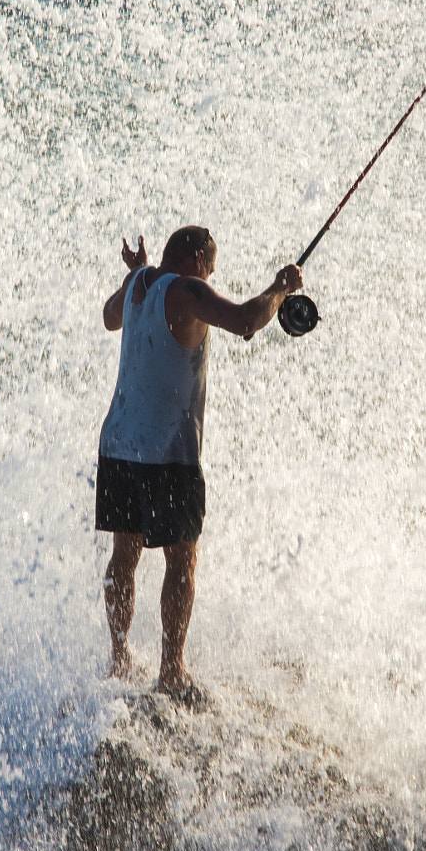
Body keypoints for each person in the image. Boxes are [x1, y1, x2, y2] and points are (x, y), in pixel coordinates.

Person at [96, 225, 303, 700]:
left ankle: (120, 658)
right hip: (168, 455)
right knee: (182, 562)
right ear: (194, 258)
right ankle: (172, 670)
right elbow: (248, 320)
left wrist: (136, 274)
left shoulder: (137, 286)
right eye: (211, 264)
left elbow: (111, 319)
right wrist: (282, 287)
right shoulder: (188, 289)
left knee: (123, 559)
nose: (212, 274)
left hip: (119, 443)